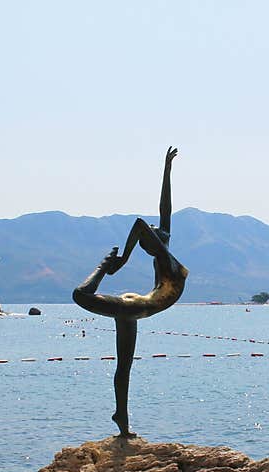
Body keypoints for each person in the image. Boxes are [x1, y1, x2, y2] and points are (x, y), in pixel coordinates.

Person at [72, 147, 188, 437]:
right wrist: (166, 170)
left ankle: (121, 419)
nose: (151, 228)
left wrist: (123, 260)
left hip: (136, 308)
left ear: (153, 243)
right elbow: (164, 211)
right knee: (80, 296)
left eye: (152, 234)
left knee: (124, 367)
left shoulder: (169, 262)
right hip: (134, 307)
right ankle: (122, 421)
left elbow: (141, 224)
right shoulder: (167, 262)